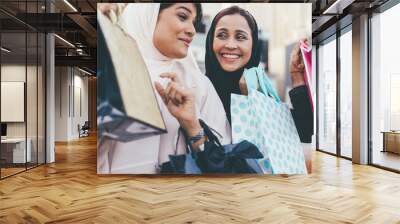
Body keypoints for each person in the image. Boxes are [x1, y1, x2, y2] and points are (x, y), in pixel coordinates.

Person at [97, 3, 231, 173]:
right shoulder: (114, 69)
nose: (192, 30)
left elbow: (222, 160)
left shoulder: (199, 84)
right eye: (183, 16)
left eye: (194, 22)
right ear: (149, 14)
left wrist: (191, 125)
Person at [204, 6, 314, 172]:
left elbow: (304, 131)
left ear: (254, 45)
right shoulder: (198, 90)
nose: (231, 44)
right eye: (222, 35)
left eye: (240, 37)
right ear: (211, 40)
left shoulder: (259, 90)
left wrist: (296, 75)